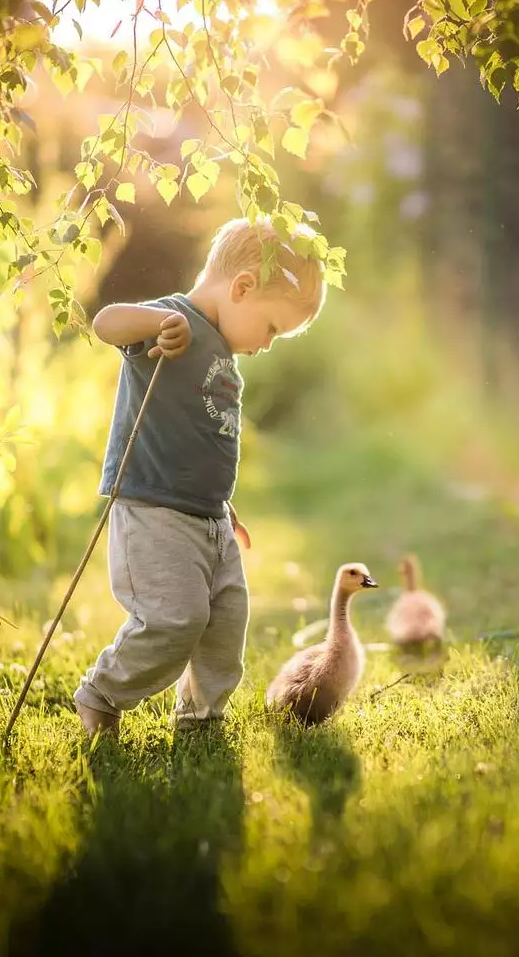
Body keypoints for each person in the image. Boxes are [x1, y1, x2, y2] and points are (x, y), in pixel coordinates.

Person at [72, 217, 327, 736]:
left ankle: (201, 718)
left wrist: (222, 502)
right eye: (274, 328)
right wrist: (155, 325)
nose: (269, 344)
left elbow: (204, 435)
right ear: (242, 287)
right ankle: (102, 693)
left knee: (226, 624)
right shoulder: (173, 319)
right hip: (154, 509)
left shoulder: (225, 354)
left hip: (209, 516)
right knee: (175, 618)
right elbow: (106, 322)